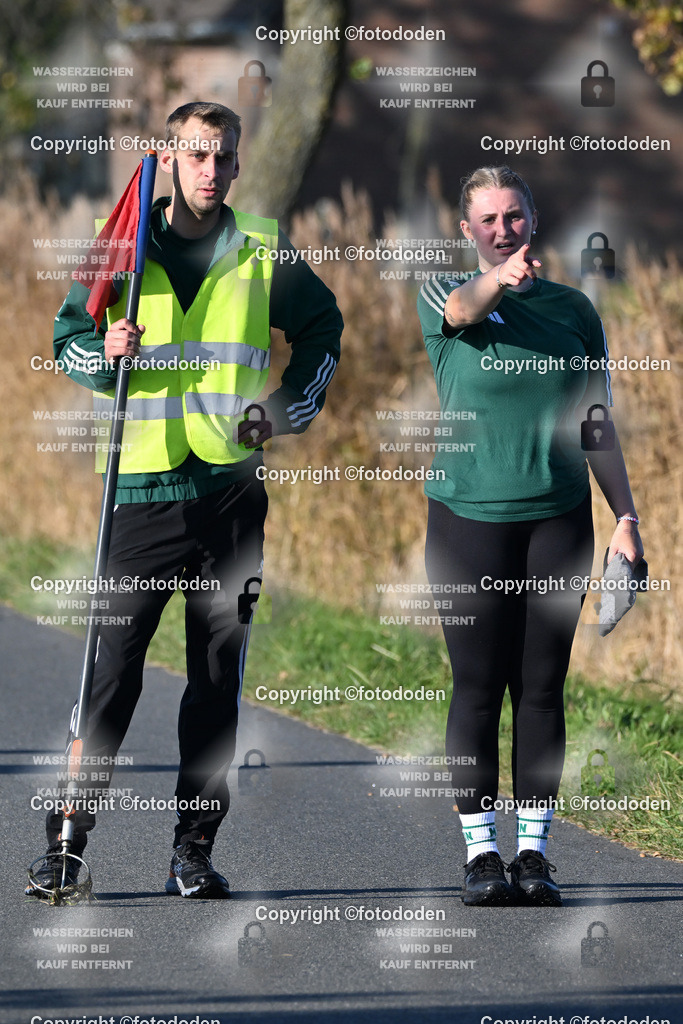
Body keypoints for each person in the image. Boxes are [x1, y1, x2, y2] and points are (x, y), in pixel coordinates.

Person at [27, 101, 342, 899]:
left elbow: (323, 331)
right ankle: (66, 843)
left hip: (230, 497)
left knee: (214, 678)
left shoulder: (262, 248)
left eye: (225, 157)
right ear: (170, 158)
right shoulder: (123, 239)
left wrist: (283, 408)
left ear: (237, 164)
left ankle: (192, 852)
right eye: (198, 154)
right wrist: (105, 354)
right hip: (140, 494)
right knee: (110, 676)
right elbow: (65, 341)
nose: (212, 170)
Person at [417, 166, 643, 906]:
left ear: (532, 219)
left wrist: (627, 521)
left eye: (513, 216)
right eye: (486, 220)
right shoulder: (445, 295)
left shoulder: (572, 310)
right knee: (478, 687)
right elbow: (459, 309)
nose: (501, 229)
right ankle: (481, 854)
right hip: (466, 520)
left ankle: (534, 854)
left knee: (542, 687)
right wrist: (499, 280)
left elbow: (595, 421)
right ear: (465, 230)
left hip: (556, 517)